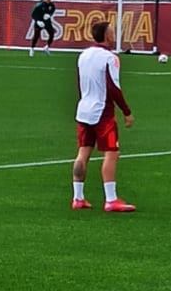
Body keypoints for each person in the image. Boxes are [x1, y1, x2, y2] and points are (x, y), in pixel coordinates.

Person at [72, 21, 136, 212]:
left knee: (83, 152)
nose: (114, 34)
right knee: (112, 153)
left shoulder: (83, 55)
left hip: (83, 109)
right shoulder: (110, 58)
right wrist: (126, 111)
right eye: (112, 32)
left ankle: (78, 197)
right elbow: (113, 88)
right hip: (102, 112)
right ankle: (111, 199)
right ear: (107, 36)